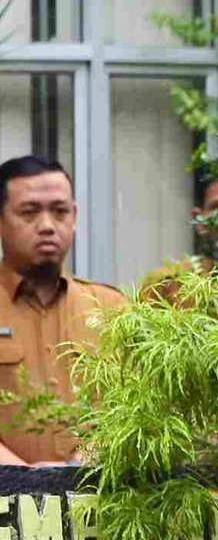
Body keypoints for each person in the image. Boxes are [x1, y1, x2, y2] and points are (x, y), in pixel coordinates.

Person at [0, 155, 125, 466]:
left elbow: (140, 409)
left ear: (75, 215)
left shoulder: (112, 309)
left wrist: (82, 466)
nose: (46, 226)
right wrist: (26, 478)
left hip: (98, 502)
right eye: (29, 213)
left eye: (59, 211)